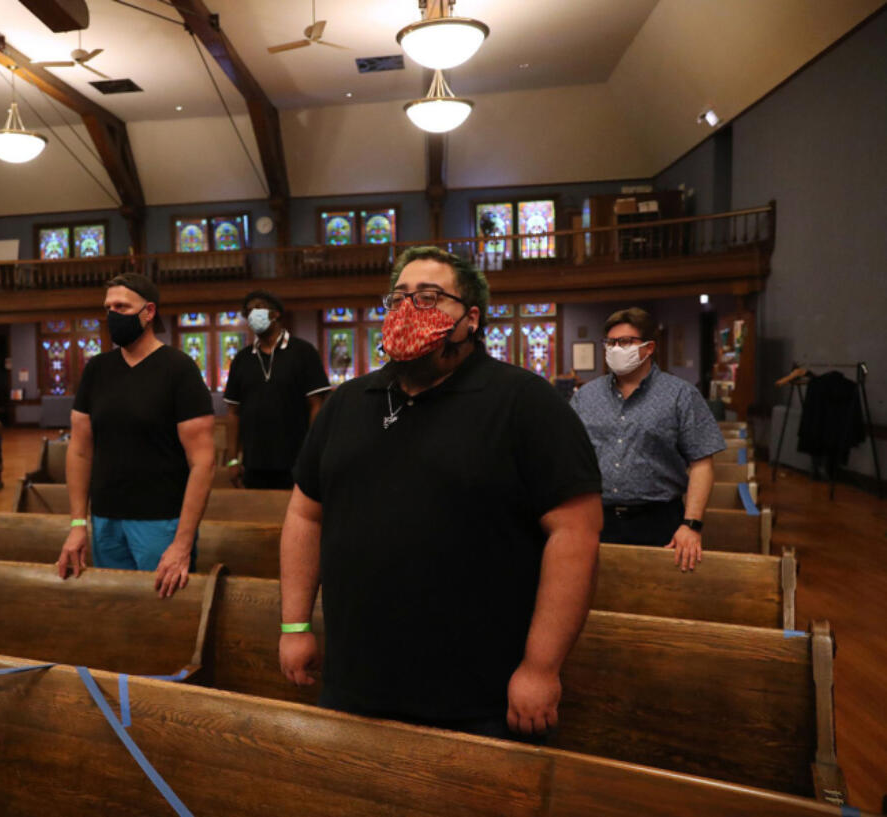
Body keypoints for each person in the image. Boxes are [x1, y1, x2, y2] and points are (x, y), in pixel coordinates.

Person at [279, 246, 603, 739]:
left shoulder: (524, 402)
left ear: (470, 318)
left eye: (430, 297)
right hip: (354, 682)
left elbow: (575, 534)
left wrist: (540, 668)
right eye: (399, 298)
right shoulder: (347, 403)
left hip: (476, 695)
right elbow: (305, 515)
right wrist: (295, 625)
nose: (410, 310)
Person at [56, 273, 216, 598]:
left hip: (160, 522)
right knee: (117, 612)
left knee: (164, 616)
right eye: (108, 307)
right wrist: (77, 523)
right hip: (105, 520)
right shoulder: (97, 370)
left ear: (149, 311)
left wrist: (183, 542)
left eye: (122, 306)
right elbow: (80, 450)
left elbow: (203, 461)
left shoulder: (178, 369)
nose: (112, 314)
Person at [570, 307, 726, 572]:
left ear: (648, 347)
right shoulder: (586, 396)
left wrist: (691, 525)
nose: (615, 349)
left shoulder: (680, 395)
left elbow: (702, 464)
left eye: (625, 342)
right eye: (610, 343)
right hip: (597, 517)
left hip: (659, 519)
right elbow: (569, 457)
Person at [222, 290, 331, 490]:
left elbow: (317, 406)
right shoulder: (242, 359)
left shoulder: (303, 352)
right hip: (253, 464)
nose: (253, 314)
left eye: (259, 308)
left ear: (276, 313)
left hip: (296, 461)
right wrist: (232, 461)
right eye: (248, 311)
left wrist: (312, 455)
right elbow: (233, 413)